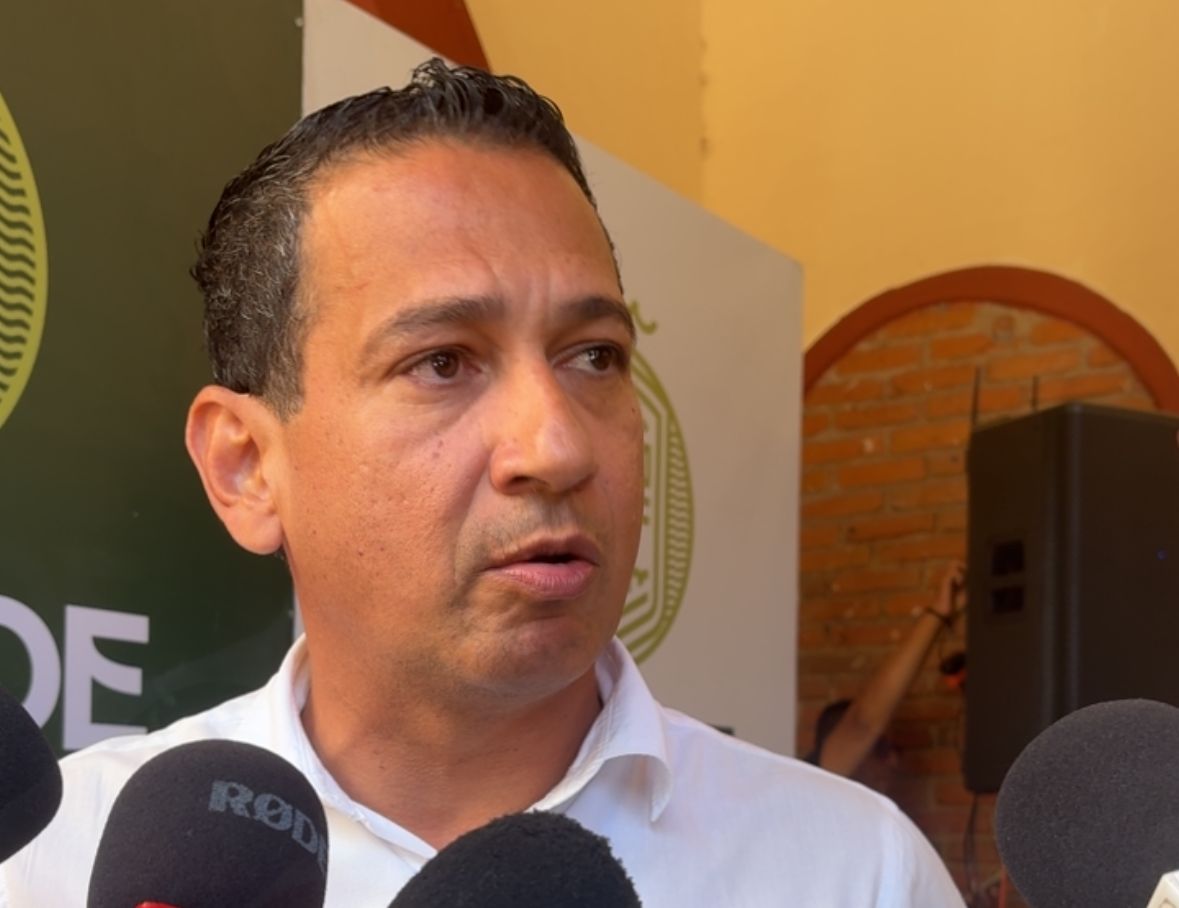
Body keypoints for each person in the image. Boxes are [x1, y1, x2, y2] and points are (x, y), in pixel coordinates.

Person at [0, 60, 965, 905]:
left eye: (593, 356)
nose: (556, 447)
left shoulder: (856, 873)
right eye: (442, 363)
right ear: (246, 467)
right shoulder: (48, 866)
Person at [806, 561, 966, 783]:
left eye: (895, 749)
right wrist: (938, 613)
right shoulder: (816, 784)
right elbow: (863, 723)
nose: (894, 760)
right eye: (880, 748)